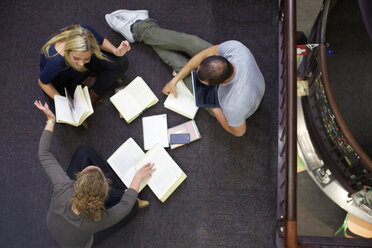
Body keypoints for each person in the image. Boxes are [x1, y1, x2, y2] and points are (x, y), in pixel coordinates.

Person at [105, 10, 265, 137]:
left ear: (219, 85)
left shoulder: (233, 106)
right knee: (191, 42)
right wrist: (175, 81)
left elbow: (239, 132)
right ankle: (141, 28)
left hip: (229, 105)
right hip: (242, 85)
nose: (196, 68)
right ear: (220, 59)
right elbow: (202, 56)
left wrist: (216, 109)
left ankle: (140, 28)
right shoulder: (236, 49)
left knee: (177, 63)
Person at [34, 100, 155, 248]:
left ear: (77, 181)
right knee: (133, 208)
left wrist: (50, 120)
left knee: (84, 152)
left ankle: (122, 191)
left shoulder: (63, 187)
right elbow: (127, 204)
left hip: (54, 225)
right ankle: (122, 191)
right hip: (81, 243)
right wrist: (137, 177)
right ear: (104, 195)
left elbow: (44, 153)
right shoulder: (98, 221)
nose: (90, 167)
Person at [38, 24, 131, 107]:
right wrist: (63, 101)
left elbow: (101, 42)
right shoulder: (56, 62)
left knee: (122, 63)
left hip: (72, 67)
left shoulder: (85, 34)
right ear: (67, 51)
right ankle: (90, 76)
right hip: (62, 75)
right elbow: (42, 82)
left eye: (86, 58)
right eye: (76, 58)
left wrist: (116, 51)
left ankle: (93, 94)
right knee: (65, 115)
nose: (81, 64)